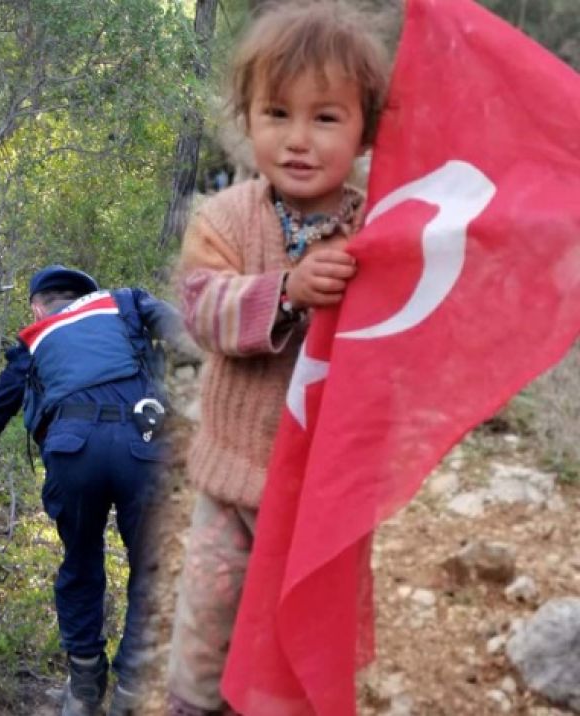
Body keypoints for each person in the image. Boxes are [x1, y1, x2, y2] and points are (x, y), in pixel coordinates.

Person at [166, 3, 390, 715]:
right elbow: (202, 307)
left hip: (325, 500)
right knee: (206, 629)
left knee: (298, 645)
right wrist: (285, 292)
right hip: (233, 485)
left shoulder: (378, 229)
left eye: (325, 117)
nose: (298, 139)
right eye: (276, 113)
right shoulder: (225, 219)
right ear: (247, 117)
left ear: (366, 127)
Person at [0, 265, 199, 716]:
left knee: (80, 562)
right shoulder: (125, 301)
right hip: (144, 447)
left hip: (74, 451)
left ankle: (84, 685)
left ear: (38, 304)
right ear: (85, 295)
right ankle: (131, 688)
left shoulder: (37, 337)